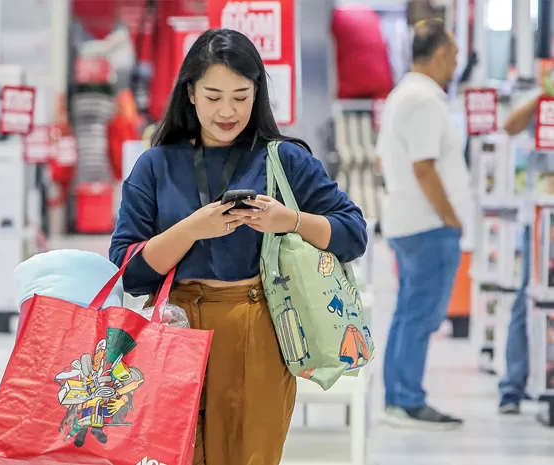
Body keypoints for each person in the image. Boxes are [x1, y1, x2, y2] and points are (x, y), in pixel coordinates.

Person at [109, 28, 367, 465]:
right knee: (172, 454)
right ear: (189, 93)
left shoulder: (284, 159)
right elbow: (128, 271)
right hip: (173, 327)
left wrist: (291, 221)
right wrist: (191, 228)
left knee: (252, 453)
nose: (226, 111)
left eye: (240, 97)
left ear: (257, 93)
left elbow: (353, 232)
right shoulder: (155, 165)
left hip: (258, 328)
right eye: (213, 96)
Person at [375, 19, 468, 429]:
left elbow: (385, 160)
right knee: (420, 315)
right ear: (442, 54)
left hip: (410, 222)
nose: (457, 63)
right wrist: (451, 218)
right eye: (456, 54)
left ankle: (399, 397)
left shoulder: (403, 95)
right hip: (427, 226)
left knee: (409, 312)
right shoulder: (424, 100)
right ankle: (408, 400)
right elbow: (424, 167)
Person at [497, 89, 542, 414]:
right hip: (539, 218)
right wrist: (544, 98)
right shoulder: (538, 97)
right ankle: (512, 387)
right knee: (528, 296)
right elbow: (509, 126)